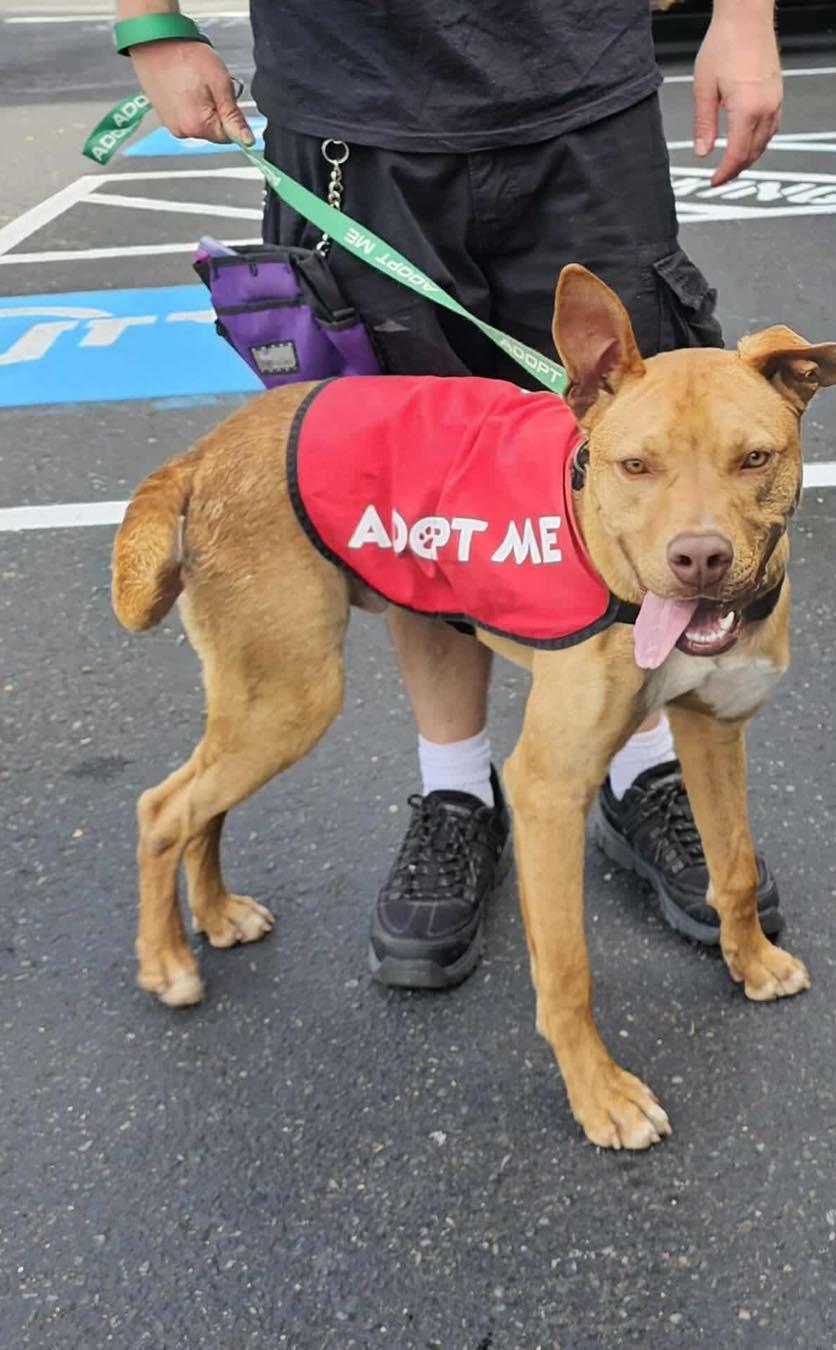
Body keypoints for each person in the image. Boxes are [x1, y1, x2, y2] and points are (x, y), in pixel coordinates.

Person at [118, 0, 786, 989]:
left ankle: (640, 770)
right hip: (355, 105)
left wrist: (745, 13)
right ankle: (457, 789)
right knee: (412, 497)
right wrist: (151, 23)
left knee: (650, 477)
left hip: (583, 90)